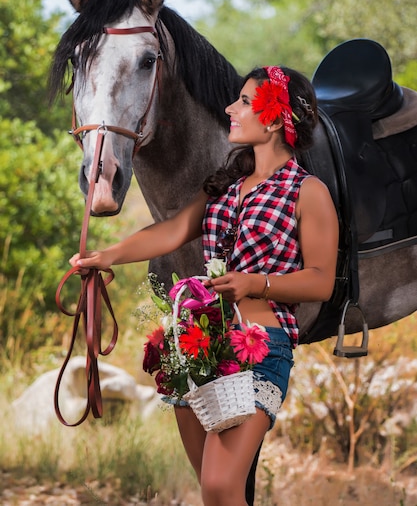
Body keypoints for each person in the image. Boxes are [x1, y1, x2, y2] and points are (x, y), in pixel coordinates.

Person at [70, 65, 339, 506]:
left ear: (273, 121)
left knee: (219, 485)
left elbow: (321, 281)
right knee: (215, 493)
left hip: (259, 346)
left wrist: (255, 283)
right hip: (196, 344)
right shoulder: (227, 185)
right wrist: (104, 257)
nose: (231, 108)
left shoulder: (307, 193)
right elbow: (173, 230)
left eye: (246, 102)